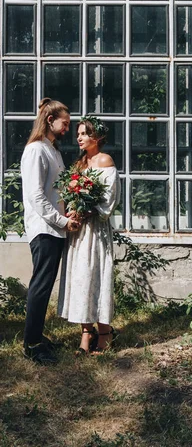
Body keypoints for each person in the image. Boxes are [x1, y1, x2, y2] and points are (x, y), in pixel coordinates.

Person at [21, 97, 81, 365]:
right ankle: (32, 344)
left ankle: (37, 336)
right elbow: (35, 195)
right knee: (41, 285)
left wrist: (68, 211)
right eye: (65, 124)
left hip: (55, 227)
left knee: (44, 285)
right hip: (44, 228)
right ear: (49, 120)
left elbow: (55, 191)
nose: (67, 129)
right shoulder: (36, 150)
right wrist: (60, 220)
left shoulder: (53, 151)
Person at [58, 116, 121, 355]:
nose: (79, 138)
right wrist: (72, 210)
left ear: (97, 137)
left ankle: (104, 333)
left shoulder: (105, 161)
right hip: (79, 231)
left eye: (84, 133)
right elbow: (69, 193)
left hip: (95, 229)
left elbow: (110, 198)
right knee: (81, 277)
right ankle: (86, 332)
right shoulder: (79, 164)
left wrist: (88, 209)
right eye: (78, 134)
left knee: (97, 274)